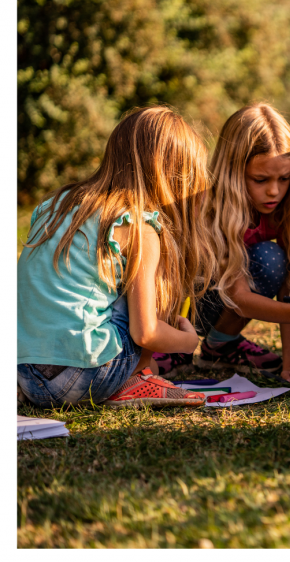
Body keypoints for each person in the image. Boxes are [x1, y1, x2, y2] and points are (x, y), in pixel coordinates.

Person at [17, 106, 215, 407]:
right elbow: (146, 332)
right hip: (86, 375)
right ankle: (139, 375)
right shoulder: (139, 227)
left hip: (26, 373)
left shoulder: (54, 205)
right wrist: (188, 342)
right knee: (155, 277)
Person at [153, 103, 290, 385]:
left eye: (284, 178)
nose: (274, 191)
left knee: (272, 258)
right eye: (260, 180)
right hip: (188, 298)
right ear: (234, 172)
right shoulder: (210, 208)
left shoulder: (288, 209)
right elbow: (239, 296)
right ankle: (172, 343)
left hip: (225, 301)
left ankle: (221, 346)